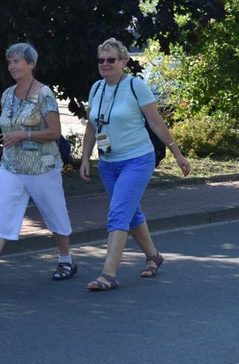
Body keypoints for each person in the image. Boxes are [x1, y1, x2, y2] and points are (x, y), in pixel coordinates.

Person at [80, 38, 190, 291]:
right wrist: (85, 158)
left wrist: (178, 154)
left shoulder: (135, 86)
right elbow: (91, 127)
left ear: (123, 62)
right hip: (108, 163)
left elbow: (156, 123)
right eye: (101, 60)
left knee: (118, 213)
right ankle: (153, 256)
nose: (105, 64)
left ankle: (109, 274)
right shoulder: (96, 88)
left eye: (111, 59)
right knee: (131, 213)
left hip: (137, 160)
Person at [0, 43, 76, 288]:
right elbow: (7, 126)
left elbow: (55, 132)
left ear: (31, 64)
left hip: (42, 167)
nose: (12, 66)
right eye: (9, 62)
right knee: (2, 214)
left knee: (54, 212)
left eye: (17, 61)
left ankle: (66, 260)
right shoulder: (7, 94)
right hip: (12, 166)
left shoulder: (44, 94)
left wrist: (23, 135)